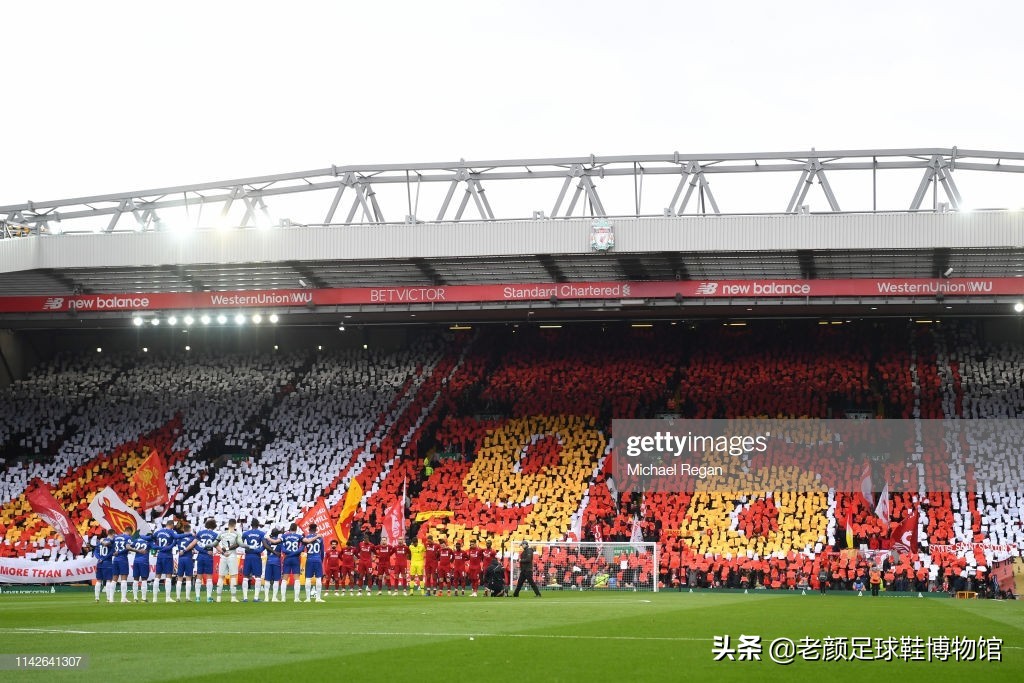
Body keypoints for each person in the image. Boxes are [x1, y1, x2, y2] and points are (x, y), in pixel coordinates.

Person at [151, 518, 178, 603]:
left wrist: (156, 547)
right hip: (168, 555)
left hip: (160, 555)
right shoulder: (172, 532)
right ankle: (167, 597)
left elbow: (152, 540)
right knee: (168, 576)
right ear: (172, 525)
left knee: (157, 576)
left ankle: (154, 598)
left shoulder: (158, 532)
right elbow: (176, 541)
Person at [240, 518, 266, 602]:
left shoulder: (246, 533)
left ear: (251, 525)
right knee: (258, 576)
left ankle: (245, 598)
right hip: (256, 556)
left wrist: (247, 548)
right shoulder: (261, 533)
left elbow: (240, 543)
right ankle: (256, 597)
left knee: (246, 576)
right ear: (258, 525)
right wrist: (259, 550)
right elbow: (264, 545)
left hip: (248, 556)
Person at [216, 518, 242, 602]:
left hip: (223, 556)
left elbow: (216, 544)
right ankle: (233, 597)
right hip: (232, 555)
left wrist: (222, 552)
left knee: (221, 577)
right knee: (233, 576)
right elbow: (238, 544)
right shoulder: (236, 533)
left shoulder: (222, 533)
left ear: (228, 524)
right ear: (235, 525)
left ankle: (218, 598)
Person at [279, 523, 305, 602]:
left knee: (284, 578)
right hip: (295, 558)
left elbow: (282, 549)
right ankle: (296, 598)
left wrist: (289, 554)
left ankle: (283, 598)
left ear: (289, 528)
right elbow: (302, 548)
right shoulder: (299, 536)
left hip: (287, 558)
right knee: (297, 579)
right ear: (296, 529)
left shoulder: (284, 536)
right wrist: (294, 553)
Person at [195, 519, 220, 603]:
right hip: (208, 557)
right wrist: (224, 552)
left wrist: (203, 551)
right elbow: (217, 546)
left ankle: (197, 597)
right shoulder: (215, 534)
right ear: (214, 526)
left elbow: (195, 546)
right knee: (209, 577)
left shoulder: (200, 533)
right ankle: (209, 597)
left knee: (199, 576)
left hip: (200, 557)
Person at [302, 523, 326, 602]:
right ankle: (318, 598)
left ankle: (308, 598)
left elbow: (302, 548)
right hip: (317, 559)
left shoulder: (306, 538)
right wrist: (321, 560)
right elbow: (322, 551)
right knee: (319, 578)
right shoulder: (320, 538)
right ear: (316, 529)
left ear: (309, 529)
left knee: (308, 578)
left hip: (309, 559)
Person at [175, 522, 197, 602]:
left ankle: (178, 597)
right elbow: (193, 546)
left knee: (179, 577)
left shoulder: (179, 538)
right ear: (190, 529)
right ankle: (187, 598)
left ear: (183, 529)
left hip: (181, 559)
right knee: (188, 578)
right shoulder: (192, 538)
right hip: (188, 558)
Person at [110, 526, 133, 603]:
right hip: (123, 559)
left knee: (114, 579)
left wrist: (115, 552)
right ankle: (123, 598)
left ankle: (111, 599)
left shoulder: (116, 537)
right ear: (129, 531)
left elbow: (111, 546)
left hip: (115, 559)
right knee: (123, 579)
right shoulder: (128, 537)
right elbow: (127, 547)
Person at [92, 530, 114, 603]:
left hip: (99, 564)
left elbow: (95, 552)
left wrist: (100, 558)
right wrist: (104, 558)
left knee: (98, 581)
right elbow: (111, 553)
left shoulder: (100, 543)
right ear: (112, 534)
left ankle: (97, 598)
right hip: (107, 564)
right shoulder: (111, 542)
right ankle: (108, 598)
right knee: (108, 580)